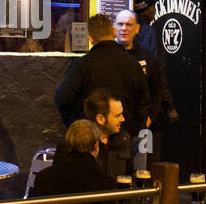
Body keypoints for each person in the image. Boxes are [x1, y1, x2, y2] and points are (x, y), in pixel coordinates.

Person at [55, 13, 151, 153]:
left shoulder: (83, 64)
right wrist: (131, 129)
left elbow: (62, 98)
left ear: (90, 38)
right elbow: (144, 103)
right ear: (113, 32)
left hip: (88, 142)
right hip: (122, 142)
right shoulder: (133, 64)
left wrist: (77, 124)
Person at [115, 9, 176, 162]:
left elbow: (158, 86)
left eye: (129, 24)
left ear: (137, 29)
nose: (124, 28)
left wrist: (150, 117)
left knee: (141, 169)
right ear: (114, 27)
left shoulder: (147, 53)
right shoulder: (109, 53)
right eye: (120, 24)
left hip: (143, 129)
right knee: (116, 171)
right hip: (114, 130)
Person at [83, 88, 131, 180]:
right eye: (118, 115)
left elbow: (131, 174)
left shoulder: (124, 139)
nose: (123, 119)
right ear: (100, 119)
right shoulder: (82, 145)